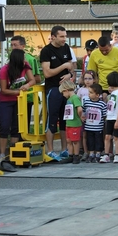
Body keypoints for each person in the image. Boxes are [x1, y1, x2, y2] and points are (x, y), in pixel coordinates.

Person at [87, 36, 118, 158]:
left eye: (106, 50)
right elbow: (92, 73)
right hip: (103, 88)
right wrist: (97, 91)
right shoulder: (94, 54)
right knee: (106, 118)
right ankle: (108, 149)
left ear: (110, 46)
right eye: (101, 50)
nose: (104, 52)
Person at [0, 49, 35, 165]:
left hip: (19, 101)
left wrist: (27, 85)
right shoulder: (4, 70)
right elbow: (3, 90)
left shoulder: (25, 66)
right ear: (17, 59)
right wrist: (18, 91)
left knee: (16, 127)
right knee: (4, 126)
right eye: (23, 58)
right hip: (6, 101)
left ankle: (13, 152)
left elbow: (33, 79)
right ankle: (2, 153)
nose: (25, 60)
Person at [40, 25, 74, 161]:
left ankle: (65, 149)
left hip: (66, 88)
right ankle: (50, 150)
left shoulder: (66, 48)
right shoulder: (46, 51)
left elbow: (71, 66)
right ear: (53, 36)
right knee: (52, 120)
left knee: (65, 119)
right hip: (53, 88)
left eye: (65, 36)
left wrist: (69, 74)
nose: (64, 39)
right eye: (61, 36)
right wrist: (64, 67)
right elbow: (47, 73)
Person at [10, 35, 42, 132]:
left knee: (24, 123)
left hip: (26, 95)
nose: (13, 48)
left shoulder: (30, 59)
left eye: (15, 45)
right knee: (14, 122)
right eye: (11, 45)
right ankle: (13, 142)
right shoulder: (10, 58)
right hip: (12, 95)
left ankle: (24, 142)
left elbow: (38, 78)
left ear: (23, 46)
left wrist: (23, 80)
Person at [99, 72, 118, 163]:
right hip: (110, 117)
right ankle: (106, 154)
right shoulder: (113, 92)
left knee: (116, 137)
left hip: (117, 118)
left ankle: (117, 154)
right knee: (107, 136)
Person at [59, 80, 83, 164]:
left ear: (66, 91)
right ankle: (71, 155)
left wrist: (80, 116)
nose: (63, 95)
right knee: (68, 140)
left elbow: (79, 108)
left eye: (63, 93)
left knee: (75, 141)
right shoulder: (69, 99)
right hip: (69, 123)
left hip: (75, 124)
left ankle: (76, 156)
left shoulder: (75, 98)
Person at [82, 83, 107, 163]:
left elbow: (104, 115)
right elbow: (83, 112)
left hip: (98, 127)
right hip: (88, 126)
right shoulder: (86, 102)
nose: (89, 94)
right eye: (89, 92)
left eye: (91, 93)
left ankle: (98, 154)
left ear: (97, 95)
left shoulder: (102, 104)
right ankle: (91, 153)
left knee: (98, 140)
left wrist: (102, 123)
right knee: (90, 140)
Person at [76, 70, 97, 161]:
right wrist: (80, 115)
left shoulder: (96, 89)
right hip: (84, 115)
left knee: (94, 134)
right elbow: (78, 102)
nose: (87, 81)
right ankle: (85, 151)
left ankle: (95, 151)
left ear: (94, 80)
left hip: (94, 116)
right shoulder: (81, 90)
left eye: (90, 78)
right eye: (85, 79)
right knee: (84, 135)